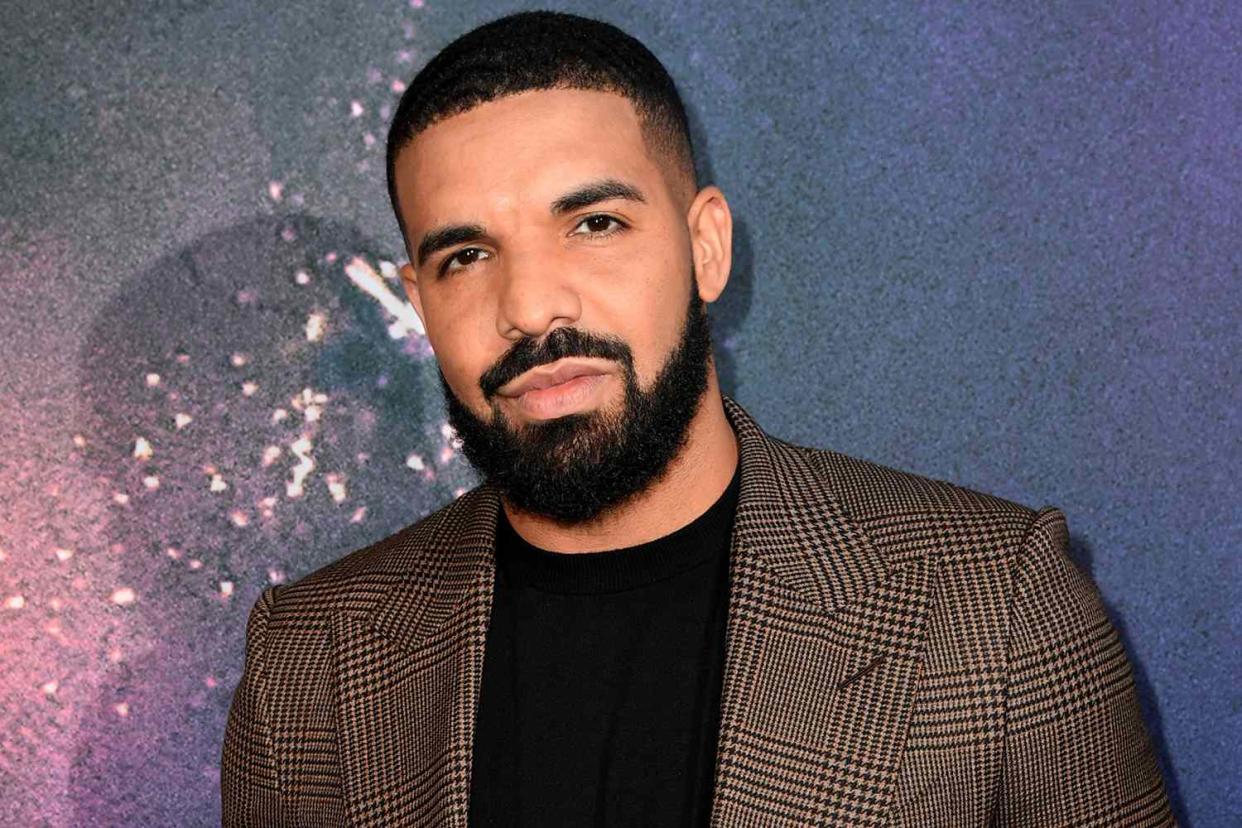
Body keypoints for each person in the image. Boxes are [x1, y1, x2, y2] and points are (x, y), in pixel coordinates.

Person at [221, 10, 1175, 826]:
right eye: (466, 255)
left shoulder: (997, 609)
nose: (532, 305)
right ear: (419, 304)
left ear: (705, 247)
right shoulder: (307, 661)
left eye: (594, 224)